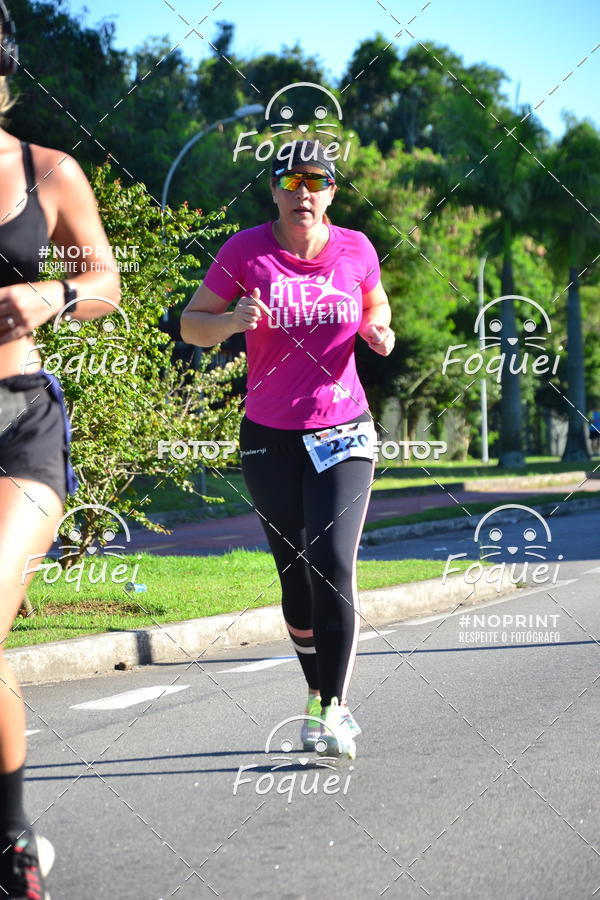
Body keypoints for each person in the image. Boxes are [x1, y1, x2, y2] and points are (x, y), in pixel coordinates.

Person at [181, 140, 394, 759]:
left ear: (331, 192)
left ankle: (336, 709)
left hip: (343, 429)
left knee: (331, 560)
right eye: (290, 181)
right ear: (273, 190)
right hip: (269, 433)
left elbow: (376, 304)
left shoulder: (356, 248)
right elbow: (193, 323)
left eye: (316, 182)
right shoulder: (245, 251)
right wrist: (229, 324)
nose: (304, 192)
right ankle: (315, 695)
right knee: (295, 577)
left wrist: (379, 329)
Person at [0, 5, 120, 895]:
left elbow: (106, 280)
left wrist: (57, 297)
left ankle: (11, 843)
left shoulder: (47, 171)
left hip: (20, 422)